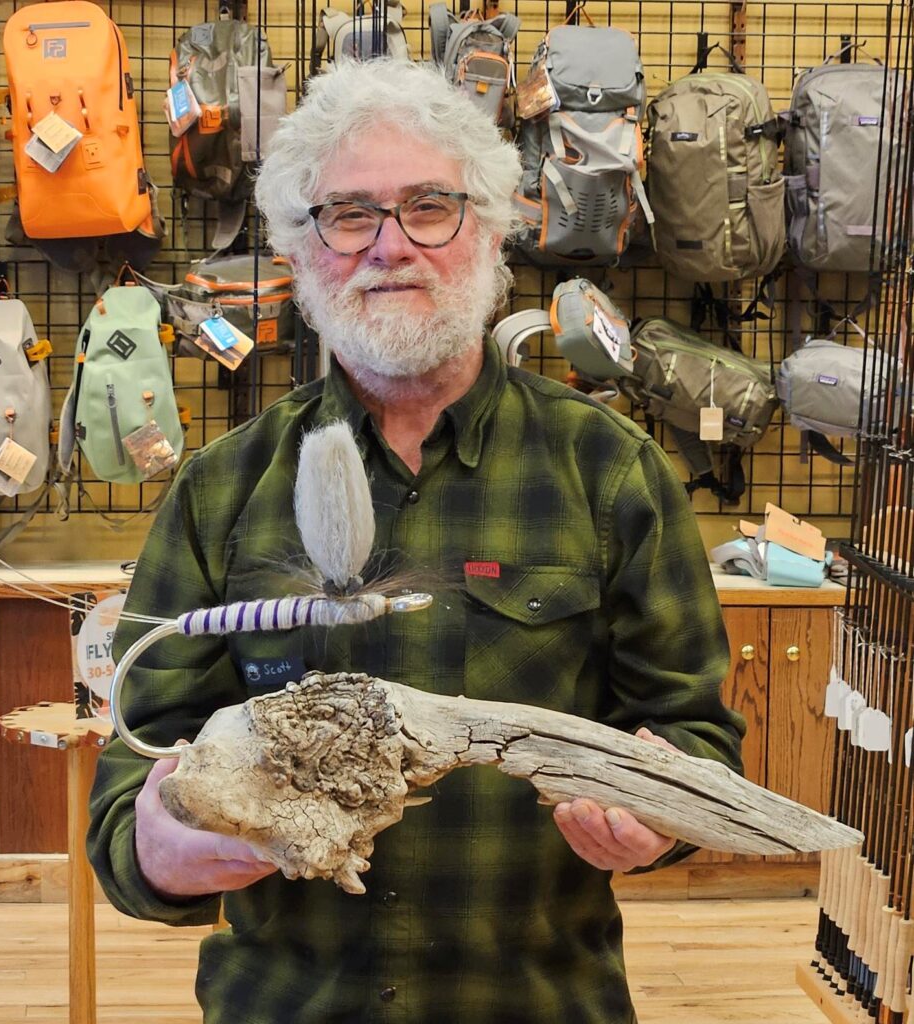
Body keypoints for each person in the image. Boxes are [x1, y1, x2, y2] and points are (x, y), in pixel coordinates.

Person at [88, 58, 744, 1024]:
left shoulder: (611, 472)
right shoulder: (221, 489)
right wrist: (160, 846)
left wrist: (659, 813)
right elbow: (129, 792)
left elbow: (697, 736)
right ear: (301, 250)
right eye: (350, 215)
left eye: (429, 207)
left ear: (490, 228)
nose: (390, 246)